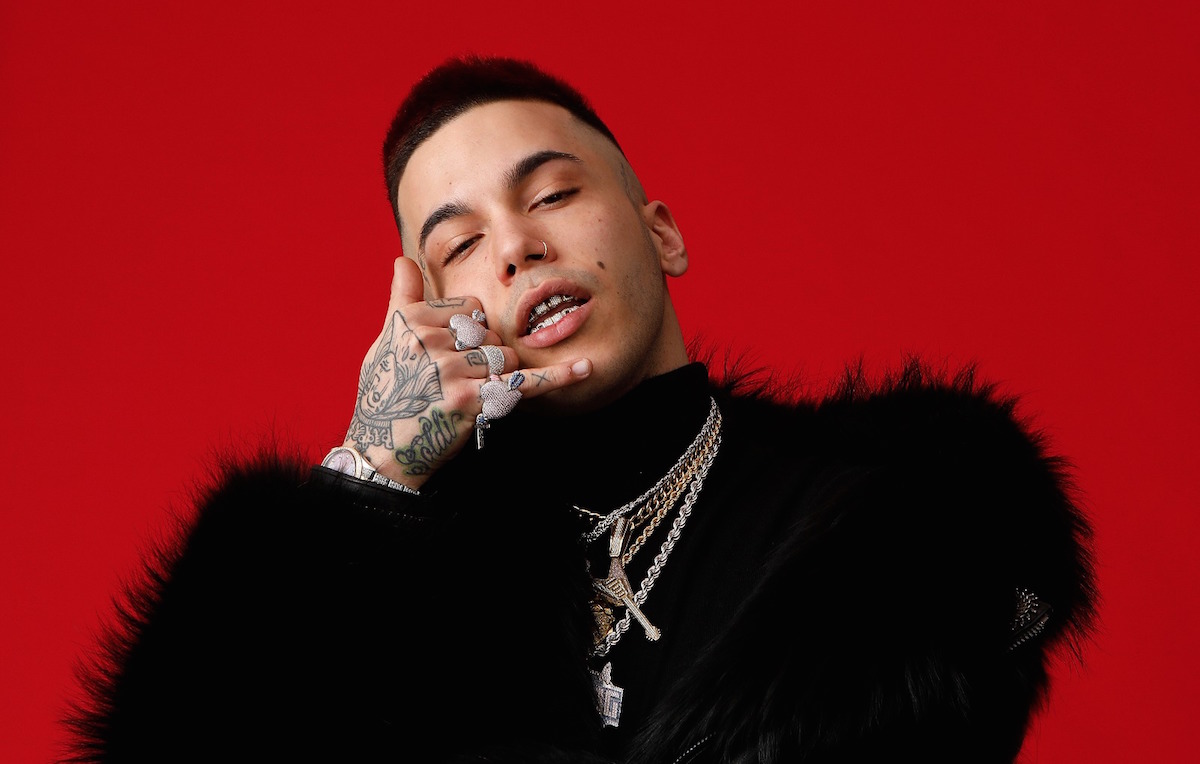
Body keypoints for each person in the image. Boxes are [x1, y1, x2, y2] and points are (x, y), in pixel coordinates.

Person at [61, 56, 1097, 763]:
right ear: (433, 314)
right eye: (460, 243)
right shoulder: (402, 566)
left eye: (553, 194)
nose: (517, 246)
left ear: (663, 234)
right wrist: (371, 475)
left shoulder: (904, 531)